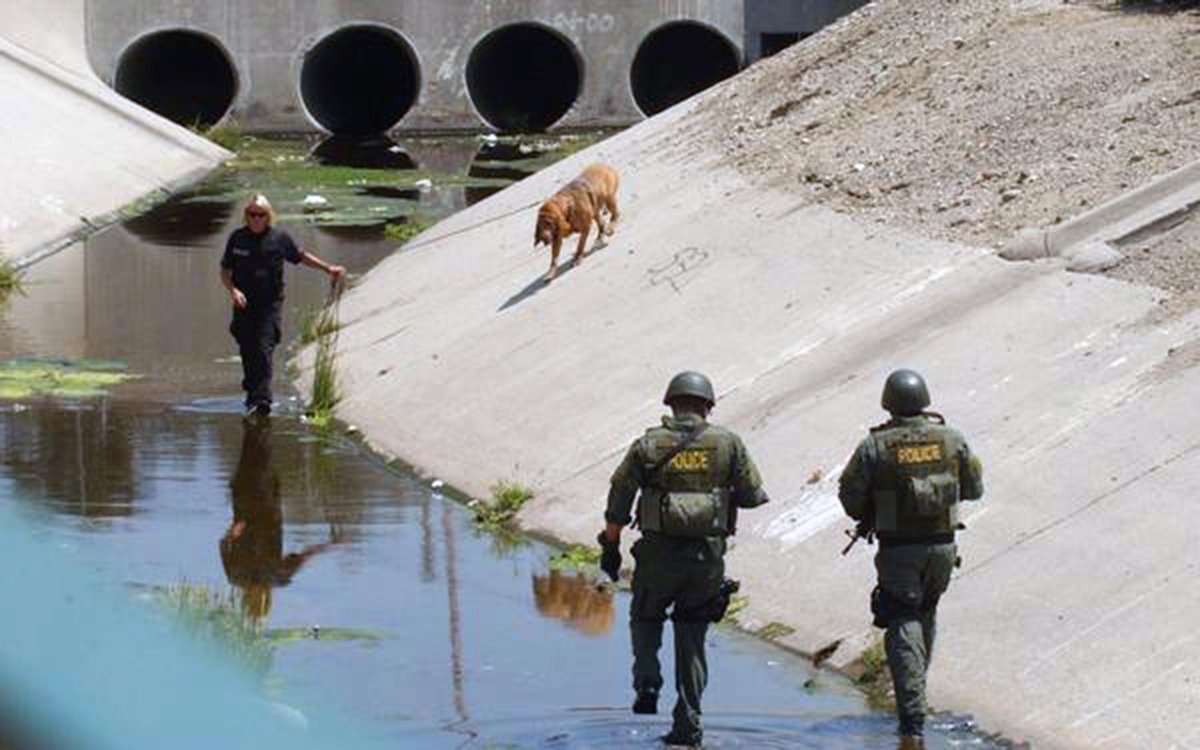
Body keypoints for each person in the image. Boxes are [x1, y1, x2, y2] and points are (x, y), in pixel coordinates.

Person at [598, 371, 770, 749]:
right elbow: (753, 495)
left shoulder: (647, 445)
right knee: (691, 636)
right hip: (706, 559)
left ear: (670, 404)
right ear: (707, 405)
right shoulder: (728, 443)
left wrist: (610, 549)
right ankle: (688, 727)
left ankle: (647, 681)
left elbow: (618, 502)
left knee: (645, 616)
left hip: (657, 556)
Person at [837, 369, 984, 750]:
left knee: (902, 619)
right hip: (943, 548)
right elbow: (974, 488)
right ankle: (916, 692)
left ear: (888, 402)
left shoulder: (876, 446)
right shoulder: (950, 439)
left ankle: (912, 724)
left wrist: (878, 506)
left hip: (899, 550)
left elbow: (850, 496)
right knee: (926, 612)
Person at [219, 193, 345, 417]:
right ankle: (252, 395)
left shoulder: (279, 238)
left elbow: (300, 256)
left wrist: (328, 269)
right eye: (252, 215)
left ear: (268, 216)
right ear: (246, 216)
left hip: (269, 304)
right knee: (248, 351)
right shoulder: (237, 238)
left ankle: (262, 400)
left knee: (263, 348)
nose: (256, 219)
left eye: (261, 215)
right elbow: (225, 270)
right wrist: (233, 291)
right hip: (243, 304)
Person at [220, 419, 334, 622]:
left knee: (254, 456)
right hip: (262, 507)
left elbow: (224, 546)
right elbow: (302, 558)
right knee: (258, 456)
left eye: (254, 600)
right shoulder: (274, 577)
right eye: (260, 599)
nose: (258, 595)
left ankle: (256, 422)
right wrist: (326, 546)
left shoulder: (239, 577)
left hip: (249, 509)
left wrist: (233, 531)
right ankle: (257, 422)